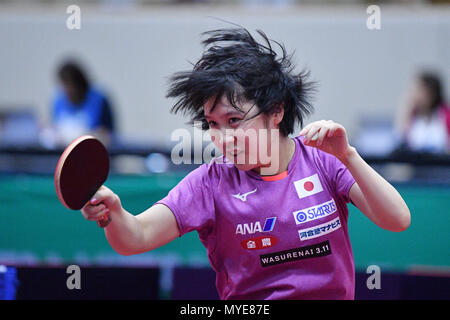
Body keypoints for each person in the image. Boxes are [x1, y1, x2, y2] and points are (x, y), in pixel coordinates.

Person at [81, 28, 411, 300]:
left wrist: (349, 157)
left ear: (277, 111)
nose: (223, 138)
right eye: (212, 124)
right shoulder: (210, 183)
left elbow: (397, 219)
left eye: (235, 119)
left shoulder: (325, 161)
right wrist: (113, 214)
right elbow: (136, 236)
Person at [50, 60, 115, 146]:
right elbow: (55, 130)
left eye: (70, 85)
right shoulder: (58, 100)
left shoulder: (98, 100)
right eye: (64, 85)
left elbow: (105, 133)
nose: (67, 90)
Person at [395, 71, 450, 153]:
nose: (415, 95)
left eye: (419, 90)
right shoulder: (412, 117)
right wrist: (406, 109)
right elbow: (401, 138)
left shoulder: (445, 115)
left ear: (432, 93)